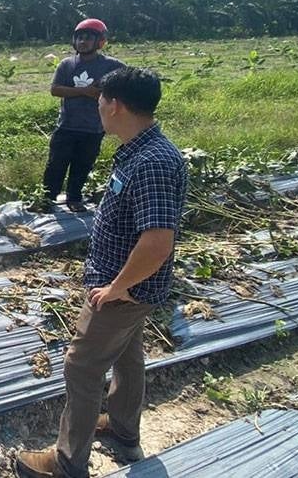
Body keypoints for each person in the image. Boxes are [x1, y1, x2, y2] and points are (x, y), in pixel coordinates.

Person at [15, 67, 187, 478]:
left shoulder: (153, 163)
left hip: (123, 292)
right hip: (125, 287)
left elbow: (157, 243)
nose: (97, 108)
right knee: (128, 356)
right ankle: (124, 431)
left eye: (100, 101)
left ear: (116, 105)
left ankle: (67, 462)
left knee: (82, 365)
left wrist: (115, 287)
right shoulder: (138, 150)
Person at [30, 19, 125, 213]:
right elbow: (55, 90)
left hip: (93, 128)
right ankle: (47, 199)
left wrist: (106, 94)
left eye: (88, 38)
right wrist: (85, 92)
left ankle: (74, 198)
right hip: (66, 125)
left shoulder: (111, 65)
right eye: (80, 37)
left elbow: (128, 80)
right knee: (56, 164)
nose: (83, 41)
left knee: (83, 165)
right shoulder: (67, 65)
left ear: (100, 42)